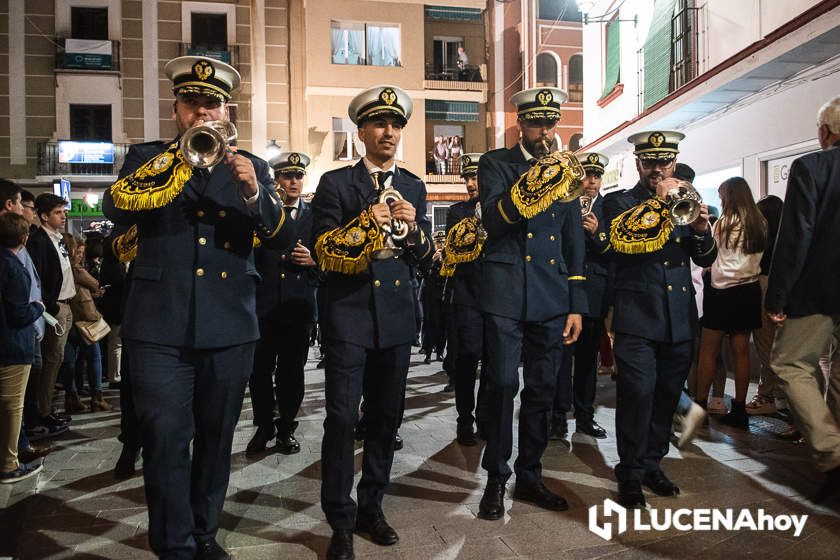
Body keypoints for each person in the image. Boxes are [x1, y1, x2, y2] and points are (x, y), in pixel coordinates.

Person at [102, 56, 286, 560]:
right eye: (191, 104)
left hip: (229, 324)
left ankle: (204, 533)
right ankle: (175, 544)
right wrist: (178, 159)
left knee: (215, 436)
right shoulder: (146, 157)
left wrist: (253, 192)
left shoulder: (252, 165)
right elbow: (114, 209)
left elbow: (277, 238)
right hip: (159, 324)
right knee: (164, 438)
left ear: (228, 110)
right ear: (176, 107)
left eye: (212, 104)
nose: (201, 114)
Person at [311, 85, 432, 560]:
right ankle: (339, 518)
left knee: (386, 419)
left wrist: (415, 227)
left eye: (396, 125)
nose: (389, 133)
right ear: (361, 132)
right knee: (342, 419)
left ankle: (372, 506)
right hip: (349, 316)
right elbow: (323, 251)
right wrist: (367, 221)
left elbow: (423, 260)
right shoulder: (336, 184)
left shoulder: (415, 187)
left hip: (397, 320)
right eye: (379, 124)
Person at [476, 87, 587, 520]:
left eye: (550, 124)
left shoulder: (567, 173)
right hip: (505, 293)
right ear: (520, 123)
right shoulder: (496, 164)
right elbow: (494, 219)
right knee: (503, 386)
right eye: (536, 123)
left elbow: (574, 241)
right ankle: (495, 477)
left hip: (551, 296)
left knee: (542, 390)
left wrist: (576, 304)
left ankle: (531, 474)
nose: (544, 132)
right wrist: (536, 182)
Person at [603, 130, 716, 509]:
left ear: (674, 161)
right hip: (638, 316)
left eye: (664, 162)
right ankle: (630, 472)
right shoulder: (618, 203)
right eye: (649, 162)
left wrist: (701, 229)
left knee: (666, 398)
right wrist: (657, 205)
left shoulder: (688, 199)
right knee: (636, 396)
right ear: (638, 163)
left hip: (679, 318)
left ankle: (652, 463)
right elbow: (619, 246)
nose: (657, 170)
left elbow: (704, 258)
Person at [766, 95, 840, 500]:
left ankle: (831, 451)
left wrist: (777, 297)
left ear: (825, 132)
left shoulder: (812, 166)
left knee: (789, 363)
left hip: (817, 290)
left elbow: (796, 236)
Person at [247, 151, 317, 455]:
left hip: (297, 307)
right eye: (288, 176)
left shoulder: (313, 216)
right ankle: (264, 425)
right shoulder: (263, 211)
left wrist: (313, 261)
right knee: (259, 371)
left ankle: (286, 427)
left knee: (292, 372)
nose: (294, 182)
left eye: (298, 176)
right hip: (262, 306)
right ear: (276, 179)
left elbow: (329, 254)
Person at [694, 177, 767, 427]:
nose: (721, 199)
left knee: (708, 351)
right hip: (748, 291)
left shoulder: (724, 223)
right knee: (741, 352)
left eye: (722, 194)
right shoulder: (759, 222)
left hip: (721, 292)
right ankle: (739, 410)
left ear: (730, 196)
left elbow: (714, 258)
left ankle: (700, 408)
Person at [551, 152, 612, 440]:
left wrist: (598, 232)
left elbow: (615, 250)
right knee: (561, 357)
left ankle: (585, 416)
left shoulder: (609, 207)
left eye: (596, 177)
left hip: (594, 294)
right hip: (563, 291)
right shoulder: (563, 203)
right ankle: (558, 416)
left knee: (589, 359)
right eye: (586, 176)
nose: (591, 182)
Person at [441, 152, 489, 445]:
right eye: (469, 178)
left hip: (495, 297)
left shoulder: (502, 209)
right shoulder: (457, 212)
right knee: (468, 357)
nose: (472, 184)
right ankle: (464, 418)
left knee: (493, 365)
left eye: (477, 178)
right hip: (467, 295)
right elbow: (455, 245)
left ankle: (484, 418)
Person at [0, 212, 46, 483]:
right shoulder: (15, 269)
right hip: (13, 345)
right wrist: (37, 308)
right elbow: (19, 315)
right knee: (12, 406)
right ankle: (8, 464)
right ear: (24, 238)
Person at [26, 193, 75, 439]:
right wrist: (51, 307)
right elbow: (38, 276)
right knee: (49, 361)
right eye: (58, 212)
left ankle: (45, 409)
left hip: (66, 305)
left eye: (64, 212)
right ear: (44, 216)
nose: (63, 216)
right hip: (53, 308)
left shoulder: (59, 239)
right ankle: (41, 412)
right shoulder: (38, 241)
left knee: (56, 361)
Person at [746, 195, 784, 416]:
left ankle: (768, 396)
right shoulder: (789, 236)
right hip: (781, 290)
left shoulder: (763, 240)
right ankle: (773, 396)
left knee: (766, 346)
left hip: (763, 287)